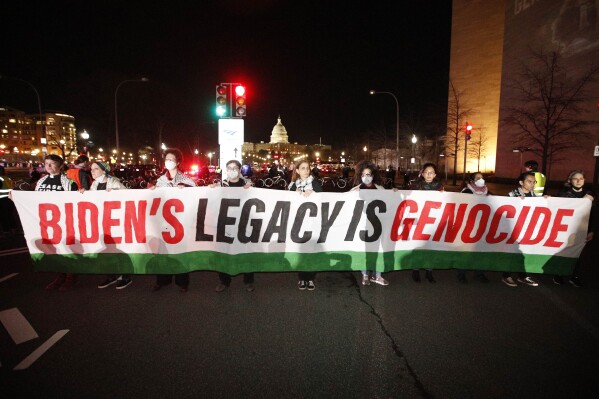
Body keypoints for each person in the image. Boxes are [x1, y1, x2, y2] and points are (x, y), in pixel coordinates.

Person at [150, 148, 196, 293]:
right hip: (163, 223)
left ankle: (182, 281)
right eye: (166, 159)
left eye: (171, 159)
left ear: (178, 162)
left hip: (180, 223)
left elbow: (195, 195)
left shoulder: (186, 180)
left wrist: (186, 189)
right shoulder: (160, 180)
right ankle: (163, 280)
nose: (168, 162)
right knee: (163, 251)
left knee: (180, 251)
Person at [81, 161, 132, 290]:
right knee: (108, 249)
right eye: (91, 169)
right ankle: (112, 274)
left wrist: (116, 193)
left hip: (116, 222)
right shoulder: (95, 184)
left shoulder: (114, 182)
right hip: (102, 221)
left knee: (119, 249)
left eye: (96, 169)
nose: (92, 171)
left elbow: (128, 197)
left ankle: (125, 276)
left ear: (104, 171)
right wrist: (83, 193)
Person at [36, 155, 79, 291]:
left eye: (52, 164)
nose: (48, 167)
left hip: (64, 222)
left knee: (66, 250)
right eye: (46, 163)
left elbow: (74, 202)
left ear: (60, 166)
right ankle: (60, 275)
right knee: (53, 250)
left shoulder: (69, 183)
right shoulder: (41, 181)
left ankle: (70, 276)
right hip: (47, 222)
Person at [210, 160, 254, 292]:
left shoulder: (247, 184)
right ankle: (224, 280)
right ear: (226, 170)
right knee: (224, 252)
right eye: (229, 168)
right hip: (225, 224)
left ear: (240, 170)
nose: (232, 170)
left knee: (246, 252)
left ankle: (248, 281)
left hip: (243, 223)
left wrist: (251, 187)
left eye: (235, 168)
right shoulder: (220, 185)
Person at [553, 170, 597, 287]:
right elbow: (555, 207)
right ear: (570, 180)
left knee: (578, 252)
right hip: (566, 228)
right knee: (563, 250)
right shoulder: (563, 193)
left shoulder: (590, 194)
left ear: (584, 180)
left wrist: (591, 230)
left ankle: (574, 275)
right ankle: (559, 274)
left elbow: (593, 214)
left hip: (582, 229)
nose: (578, 181)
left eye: (581, 179)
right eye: (575, 179)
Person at [350, 161, 389, 286]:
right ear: (359, 176)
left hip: (378, 226)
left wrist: (394, 192)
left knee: (379, 250)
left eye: (369, 174)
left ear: (373, 175)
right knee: (364, 250)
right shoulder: (355, 190)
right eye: (363, 174)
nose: (366, 177)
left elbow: (391, 203)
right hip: (362, 227)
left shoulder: (380, 189)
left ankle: (377, 276)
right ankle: (365, 274)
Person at [288, 159, 323, 291]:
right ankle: (302, 278)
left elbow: (323, 196)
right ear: (297, 170)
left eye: (307, 168)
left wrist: (313, 193)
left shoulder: (314, 183)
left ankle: (311, 278)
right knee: (301, 251)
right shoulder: (292, 185)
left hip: (312, 223)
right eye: (302, 168)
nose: (306, 171)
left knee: (312, 251)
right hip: (298, 224)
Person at [502, 172, 540, 287]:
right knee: (511, 253)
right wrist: (514, 201)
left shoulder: (535, 196)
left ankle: (523, 276)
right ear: (521, 182)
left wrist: (546, 200)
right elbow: (504, 210)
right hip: (514, 229)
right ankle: (506, 275)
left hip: (528, 230)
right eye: (529, 181)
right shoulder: (512, 195)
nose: (532, 184)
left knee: (526, 253)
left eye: (534, 182)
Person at [409, 163, 444, 283]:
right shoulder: (416, 186)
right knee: (418, 246)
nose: (429, 174)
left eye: (431, 172)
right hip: (419, 220)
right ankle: (416, 270)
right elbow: (406, 197)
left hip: (433, 221)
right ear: (422, 174)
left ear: (435, 174)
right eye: (426, 172)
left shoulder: (440, 187)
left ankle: (429, 271)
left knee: (431, 246)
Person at [457, 172, 490, 283]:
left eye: (482, 177)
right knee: (466, 251)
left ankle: (479, 273)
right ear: (472, 181)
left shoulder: (487, 192)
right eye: (478, 178)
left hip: (482, 226)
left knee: (481, 250)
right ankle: (461, 273)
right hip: (468, 226)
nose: (481, 179)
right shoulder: (466, 191)